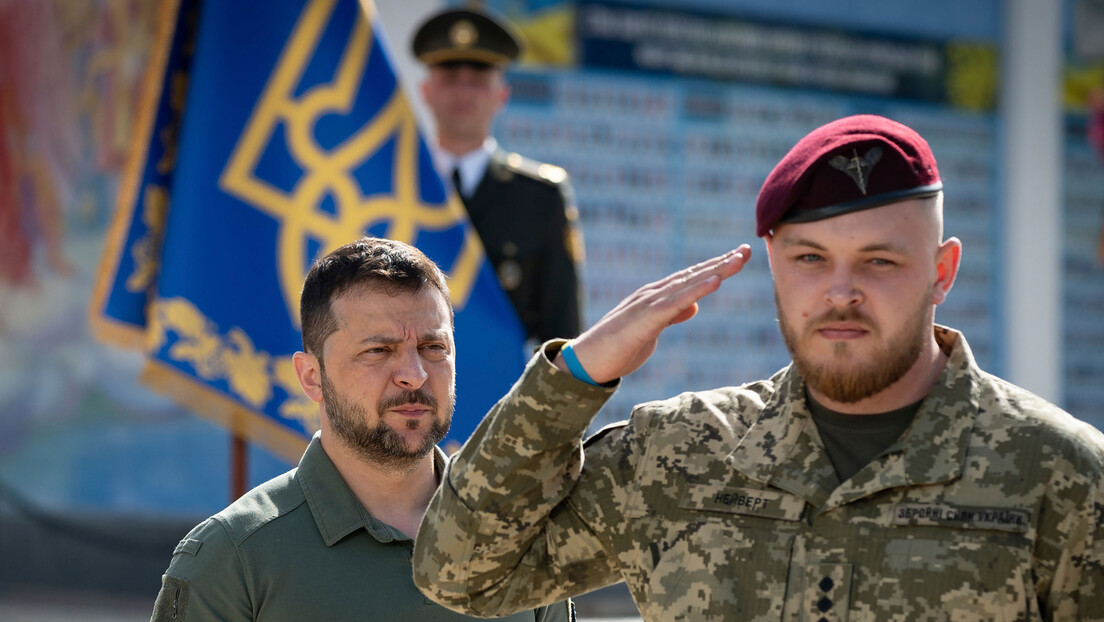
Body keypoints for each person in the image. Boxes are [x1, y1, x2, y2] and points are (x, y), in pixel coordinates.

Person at [412, 115, 1104, 620]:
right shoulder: (678, 457)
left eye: (880, 261)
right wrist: (575, 380)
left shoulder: (1063, 477)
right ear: (774, 266)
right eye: (810, 259)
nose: (841, 293)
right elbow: (459, 574)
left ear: (942, 271)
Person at [150, 238, 574, 621]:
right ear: (312, 377)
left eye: (433, 348)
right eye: (378, 350)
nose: (414, 375)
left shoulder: (521, 533)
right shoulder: (233, 559)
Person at [412, 6, 584, 346]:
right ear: (427, 91)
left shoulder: (541, 197)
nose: (462, 92)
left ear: (501, 95)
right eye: (449, 79)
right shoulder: (394, 183)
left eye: (477, 81)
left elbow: (561, 329)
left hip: (506, 389)